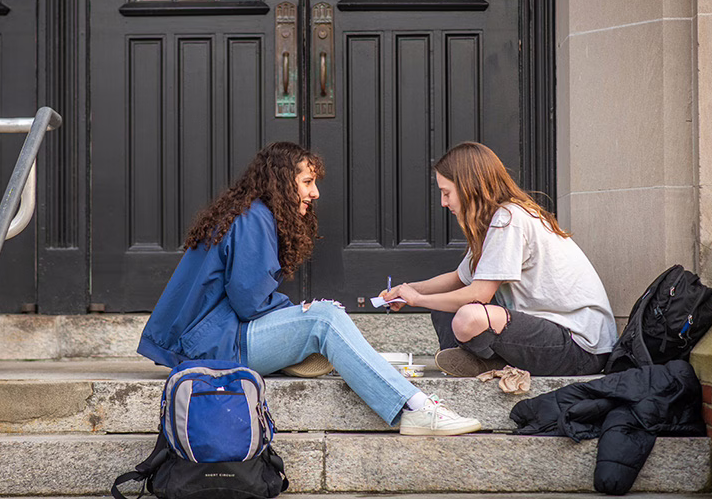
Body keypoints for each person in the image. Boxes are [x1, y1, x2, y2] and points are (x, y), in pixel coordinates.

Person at [138, 141, 481, 436]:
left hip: (216, 339)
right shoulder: (254, 219)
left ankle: (302, 350)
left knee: (320, 319)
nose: (314, 193)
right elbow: (248, 303)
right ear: (282, 183)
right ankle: (417, 407)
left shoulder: (249, 213)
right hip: (216, 346)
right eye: (307, 182)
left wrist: (290, 315)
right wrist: (295, 313)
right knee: (325, 319)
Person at [382, 142, 617, 377]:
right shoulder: (492, 223)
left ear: (469, 187)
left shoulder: (510, 218)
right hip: (546, 338)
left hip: (580, 348)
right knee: (443, 306)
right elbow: (458, 279)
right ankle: (477, 361)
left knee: (468, 317)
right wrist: (407, 291)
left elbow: (479, 294)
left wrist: (419, 299)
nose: (444, 203)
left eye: (447, 193)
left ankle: (486, 362)